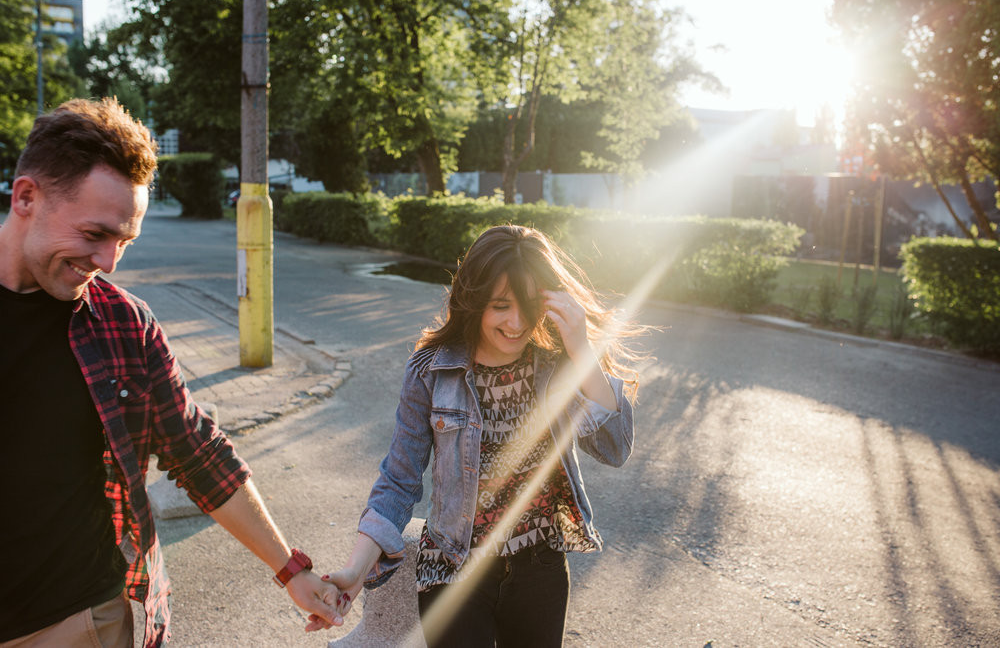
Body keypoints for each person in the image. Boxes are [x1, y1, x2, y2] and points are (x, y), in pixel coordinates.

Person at [0, 98, 344, 647]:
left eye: (124, 241)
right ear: (25, 198)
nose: (109, 262)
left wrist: (292, 571)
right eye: (95, 235)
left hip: (78, 621)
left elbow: (198, 453)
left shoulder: (123, 325)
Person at [321, 224, 646, 646]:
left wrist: (581, 347)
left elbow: (615, 448)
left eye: (529, 305)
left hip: (540, 570)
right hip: (452, 571)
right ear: (474, 302)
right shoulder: (430, 372)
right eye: (500, 305)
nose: (516, 322)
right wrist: (354, 570)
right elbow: (399, 481)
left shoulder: (555, 366)